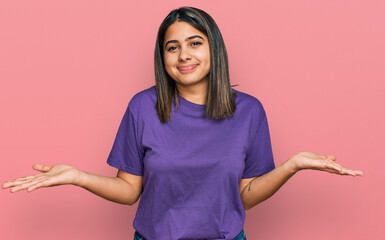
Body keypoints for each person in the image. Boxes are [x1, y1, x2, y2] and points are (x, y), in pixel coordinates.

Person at [2, 6, 363, 240]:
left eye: (195, 42)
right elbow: (129, 191)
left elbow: (245, 196)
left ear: (213, 50)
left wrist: (292, 165)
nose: (184, 54)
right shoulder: (143, 107)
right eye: (172, 47)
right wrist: (77, 177)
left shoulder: (249, 111)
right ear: (162, 57)